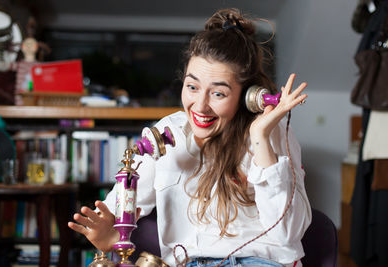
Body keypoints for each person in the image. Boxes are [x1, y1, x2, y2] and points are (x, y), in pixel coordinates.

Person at [68, 8, 311, 267]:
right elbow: (116, 209)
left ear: (247, 95)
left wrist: (260, 137)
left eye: (218, 93)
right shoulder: (167, 132)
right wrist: (111, 235)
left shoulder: (271, 131)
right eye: (192, 87)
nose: (200, 106)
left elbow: (288, 233)